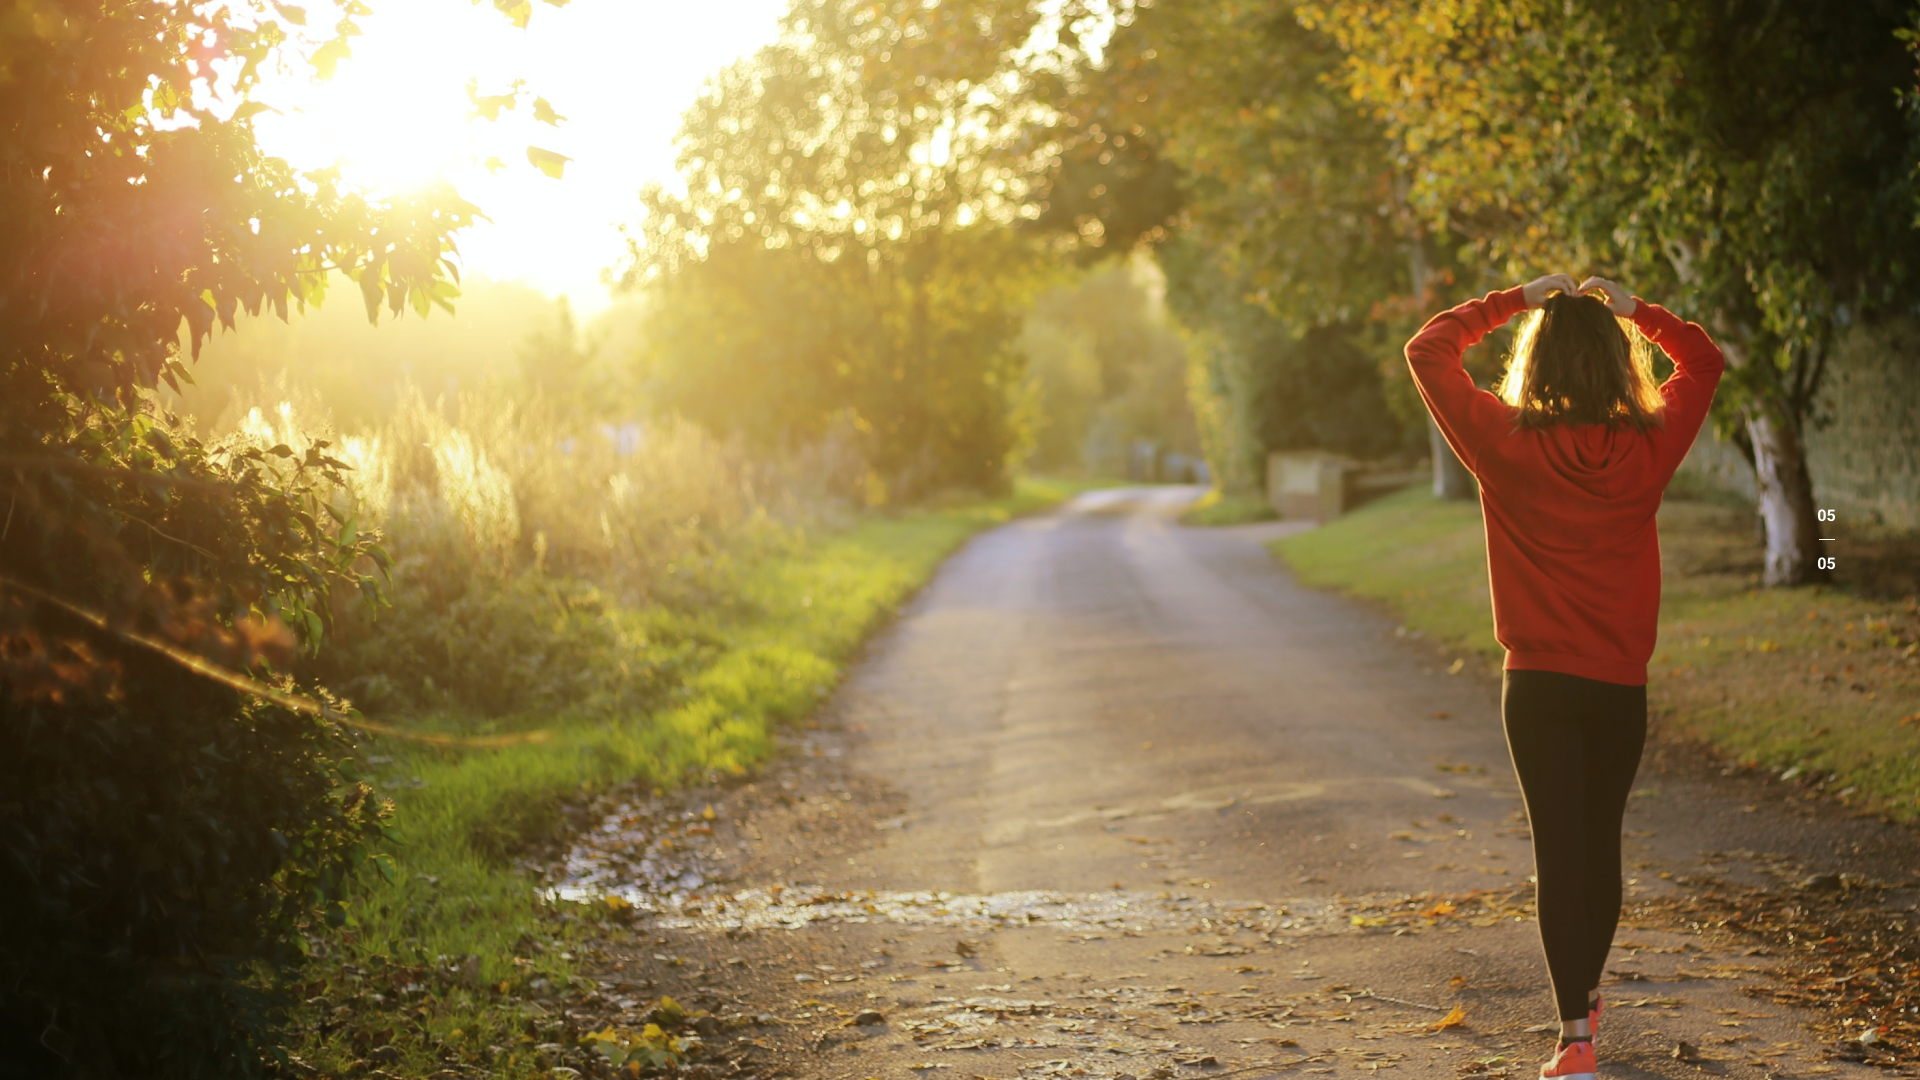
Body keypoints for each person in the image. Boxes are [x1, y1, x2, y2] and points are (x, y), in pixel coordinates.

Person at [1404, 275, 1725, 1080]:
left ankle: (1575, 1037)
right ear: (1619, 365)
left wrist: (1515, 298)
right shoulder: (1650, 443)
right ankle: (1584, 992)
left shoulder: (1501, 441)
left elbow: (1427, 349)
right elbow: (1705, 360)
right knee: (1600, 844)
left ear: (1535, 363)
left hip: (1538, 685)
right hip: (1618, 685)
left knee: (1560, 852)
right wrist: (1637, 311)